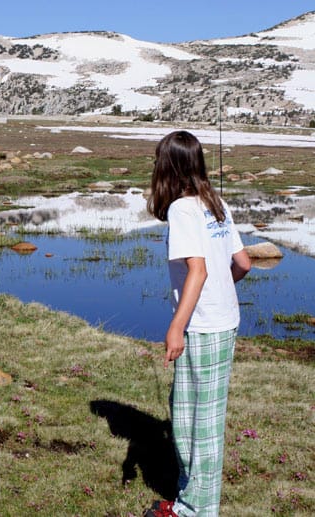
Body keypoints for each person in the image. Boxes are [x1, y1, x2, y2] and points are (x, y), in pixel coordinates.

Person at [144, 130, 251, 517]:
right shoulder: (214, 202)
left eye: (158, 161)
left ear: (168, 166)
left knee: (196, 423)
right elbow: (243, 264)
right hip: (224, 320)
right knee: (199, 414)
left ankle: (195, 510)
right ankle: (195, 498)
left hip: (203, 327)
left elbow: (199, 271)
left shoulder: (183, 210)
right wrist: (220, 292)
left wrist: (177, 325)